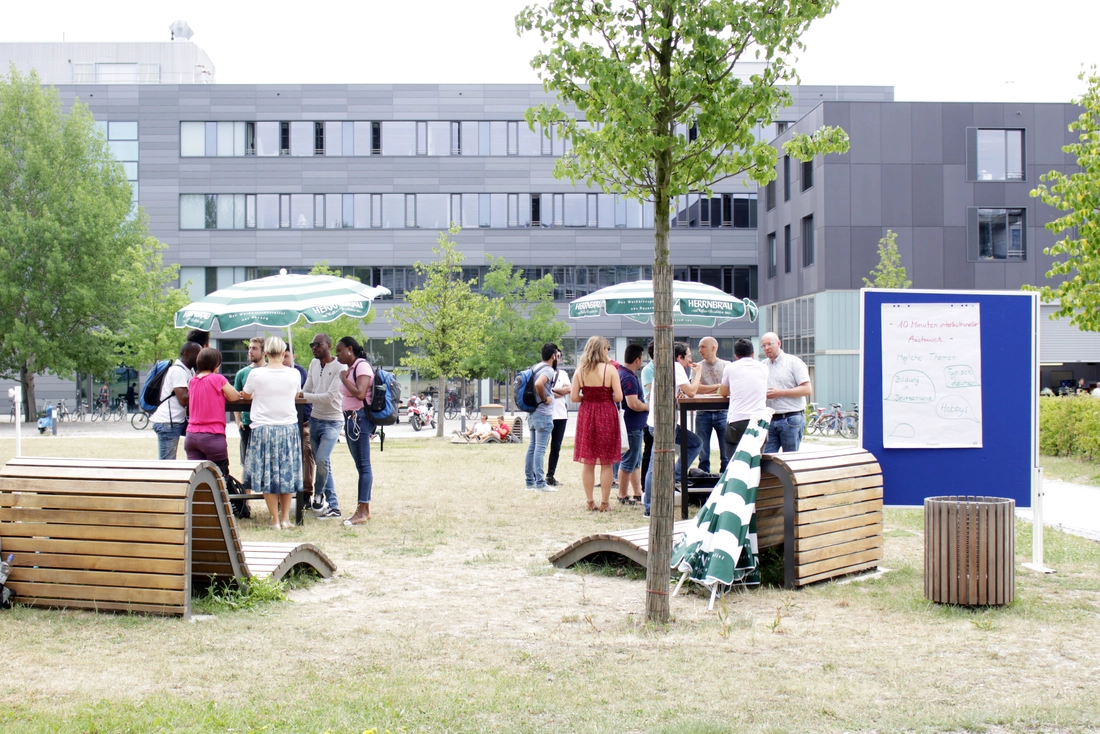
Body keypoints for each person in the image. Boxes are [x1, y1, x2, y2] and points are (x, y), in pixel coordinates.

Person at [240, 336, 302, 530]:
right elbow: (296, 395)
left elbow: (247, 395)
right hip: (288, 428)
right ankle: (285, 518)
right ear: (284, 353)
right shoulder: (294, 374)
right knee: (287, 475)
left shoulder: (256, 374)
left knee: (268, 474)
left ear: (265, 352)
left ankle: (274, 519)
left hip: (263, 429)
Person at [642, 341, 704, 518]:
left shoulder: (666, 366)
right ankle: (650, 506)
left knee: (692, 444)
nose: (690, 359)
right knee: (657, 465)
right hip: (663, 424)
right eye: (689, 356)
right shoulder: (676, 367)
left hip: (658, 422)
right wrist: (697, 372)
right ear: (679, 357)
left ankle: (672, 478)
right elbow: (692, 392)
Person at [570, 336, 624, 512]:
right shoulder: (610, 370)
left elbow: (573, 397)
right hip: (607, 413)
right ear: (602, 350)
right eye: (607, 348)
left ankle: (589, 501)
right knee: (606, 461)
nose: (609, 351)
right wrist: (605, 396)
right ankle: (605, 503)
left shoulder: (580, 370)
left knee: (589, 461)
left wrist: (587, 397)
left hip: (587, 413)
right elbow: (619, 396)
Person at [300, 333, 343, 519]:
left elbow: (328, 397)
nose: (314, 348)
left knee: (321, 460)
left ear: (329, 346)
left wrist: (302, 396)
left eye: (318, 344)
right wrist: (300, 394)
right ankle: (334, 506)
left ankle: (318, 494)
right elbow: (307, 389)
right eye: (312, 344)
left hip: (333, 420)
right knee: (324, 463)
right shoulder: (313, 363)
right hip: (315, 420)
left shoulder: (341, 367)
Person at [184, 347, 241, 479]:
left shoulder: (192, 381)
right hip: (213, 436)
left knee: (198, 479)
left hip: (191, 435)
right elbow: (234, 396)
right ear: (216, 364)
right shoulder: (217, 379)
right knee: (220, 478)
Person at [336, 336, 374, 525]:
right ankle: (365, 510)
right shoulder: (351, 368)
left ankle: (361, 511)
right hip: (351, 418)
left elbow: (360, 393)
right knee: (361, 466)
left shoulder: (362, 366)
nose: (337, 355)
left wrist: (344, 378)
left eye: (339, 351)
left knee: (363, 466)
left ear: (350, 349)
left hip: (359, 418)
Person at [761, 332, 812, 453]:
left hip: (791, 418)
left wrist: (780, 392)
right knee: (766, 460)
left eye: (770, 344)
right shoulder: (762, 365)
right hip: (769, 418)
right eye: (763, 345)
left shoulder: (794, 362)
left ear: (779, 343)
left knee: (790, 460)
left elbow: (807, 389)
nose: (767, 348)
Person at [718, 338, 769, 456]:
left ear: (736, 355)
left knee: (733, 459)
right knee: (756, 460)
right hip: (759, 420)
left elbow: (724, 392)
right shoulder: (764, 367)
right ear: (753, 353)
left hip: (737, 420)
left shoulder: (730, 367)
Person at [151, 342, 201, 460]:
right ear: (186, 354)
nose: (200, 357)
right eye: (198, 354)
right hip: (168, 422)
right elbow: (183, 400)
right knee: (167, 462)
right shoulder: (178, 371)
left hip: (176, 420)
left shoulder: (189, 371)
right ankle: (165, 478)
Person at [525, 343, 560, 492]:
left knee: (532, 448)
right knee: (540, 449)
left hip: (532, 413)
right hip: (543, 414)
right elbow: (539, 384)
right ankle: (540, 483)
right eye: (557, 355)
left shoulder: (535, 367)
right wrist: (545, 399)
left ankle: (529, 482)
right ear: (553, 356)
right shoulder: (548, 370)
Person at [617, 343, 648, 505]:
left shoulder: (621, 373)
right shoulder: (628, 377)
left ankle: (637, 492)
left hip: (633, 425)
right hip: (631, 425)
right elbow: (633, 403)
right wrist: (650, 406)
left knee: (636, 460)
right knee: (629, 460)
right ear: (637, 359)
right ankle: (622, 495)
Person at [694, 336, 729, 474]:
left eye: (703, 346)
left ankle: (725, 481)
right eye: (699, 347)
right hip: (703, 412)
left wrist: (707, 387)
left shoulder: (726, 365)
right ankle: (704, 483)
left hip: (723, 412)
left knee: (726, 453)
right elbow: (695, 388)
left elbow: (729, 388)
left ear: (713, 348)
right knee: (703, 453)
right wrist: (719, 386)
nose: (700, 350)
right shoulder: (698, 367)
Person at [234, 337, 266, 489]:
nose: (250, 351)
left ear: (264, 351)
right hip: (247, 425)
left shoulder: (270, 372)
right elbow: (235, 399)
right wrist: (238, 421)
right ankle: (245, 503)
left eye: (254, 348)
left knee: (267, 463)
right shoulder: (242, 373)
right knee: (246, 463)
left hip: (266, 424)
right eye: (250, 348)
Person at [283, 349, 314, 506]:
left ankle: (307, 493)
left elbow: (294, 392)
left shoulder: (299, 372)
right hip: (285, 423)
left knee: (307, 456)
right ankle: (283, 493)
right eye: (280, 356)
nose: (283, 360)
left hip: (303, 421)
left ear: (293, 356)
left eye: (286, 356)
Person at [545, 349, 572, 487]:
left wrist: (551, 391)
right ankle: (536, 475)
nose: (557, 359)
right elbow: (543, 392)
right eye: (556, 356)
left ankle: (550, 475)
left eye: (559, 356)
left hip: (561, 415)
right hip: (546, 413)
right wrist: (558, 391)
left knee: (556, 447)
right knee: (541, 447)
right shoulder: (543, 373)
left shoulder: (563, 374)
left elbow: (568, 390)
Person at [639, 341, 655, 483]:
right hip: (651, 416)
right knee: (649, 451)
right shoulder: (648, 370)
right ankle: (645, 484)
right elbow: (652, 392)